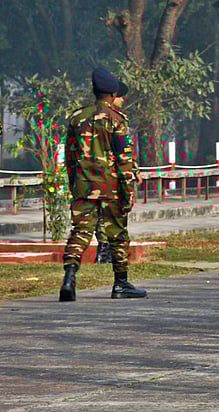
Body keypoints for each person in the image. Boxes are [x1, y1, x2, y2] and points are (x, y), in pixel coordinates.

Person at [60, 67, 146, 303]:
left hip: (83, 187)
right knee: (117, 234)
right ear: (111, 94)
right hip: (111, 189)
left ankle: (69, 279)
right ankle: (120, 284)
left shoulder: (77, 118)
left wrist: (74, 186)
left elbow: (69, 158)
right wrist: (129, 191)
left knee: (80, 233)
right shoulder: (117, 120)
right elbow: (123, 159)